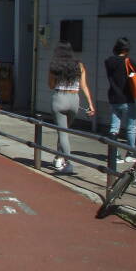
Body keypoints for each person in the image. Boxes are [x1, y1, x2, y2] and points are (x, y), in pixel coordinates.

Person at [48, 40, 95, 174]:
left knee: (62, 133)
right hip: (74, 99)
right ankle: (58, 158)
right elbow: (84, 86)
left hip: (59, 98)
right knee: (64, 131)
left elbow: (50, 85)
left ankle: (69, 163)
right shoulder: (79, 65)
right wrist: (90, 104)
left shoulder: (54, 65)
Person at [105, 37, 136, 160]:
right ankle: (130, 153)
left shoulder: (108, 61)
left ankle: (114, 155)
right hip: (127, 98)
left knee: (114, 127)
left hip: (113, 98)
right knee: (131, 127)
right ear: (127, 49)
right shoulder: (127, 61)